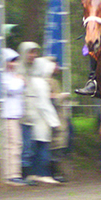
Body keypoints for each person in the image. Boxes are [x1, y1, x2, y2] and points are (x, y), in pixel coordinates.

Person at [24, 56, 62, 185]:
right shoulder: (41, 83)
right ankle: (43, 173)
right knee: (43, 147)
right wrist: (54, 122)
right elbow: (44, 104)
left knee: (35, 147)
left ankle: (33, 173)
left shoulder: (33, 81)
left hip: (33, 119)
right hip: (41, 120)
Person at [0, 48, 30, 186]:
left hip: (15, 113)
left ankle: (13, 173)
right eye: (10, 61)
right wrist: (21, 82)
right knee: (13, 144)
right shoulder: (3, 76)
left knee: (16, 144)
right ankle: (12, 175)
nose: (13, 64)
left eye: (15, 61)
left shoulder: (13, 75)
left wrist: (20, 82)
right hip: (8, 114)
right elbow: (11, 89)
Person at [17, 41, 41, 180]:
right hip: (22, 114)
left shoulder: (35, 69)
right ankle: (24, 174)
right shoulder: (18, 70)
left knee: (31, 145)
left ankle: (31, 173)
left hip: (34, 113)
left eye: (35, 52)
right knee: (24, 145)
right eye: (31, 52)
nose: (33, 55)